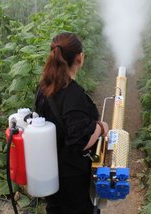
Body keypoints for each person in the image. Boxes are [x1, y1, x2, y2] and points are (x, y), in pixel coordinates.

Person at [34, 32, 108, 214]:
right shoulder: (73, 95)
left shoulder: (44, 86)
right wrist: (100, 128)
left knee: (55, 209)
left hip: (49, 169)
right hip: (71, 176)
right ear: (79, 58)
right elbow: (79, 142)